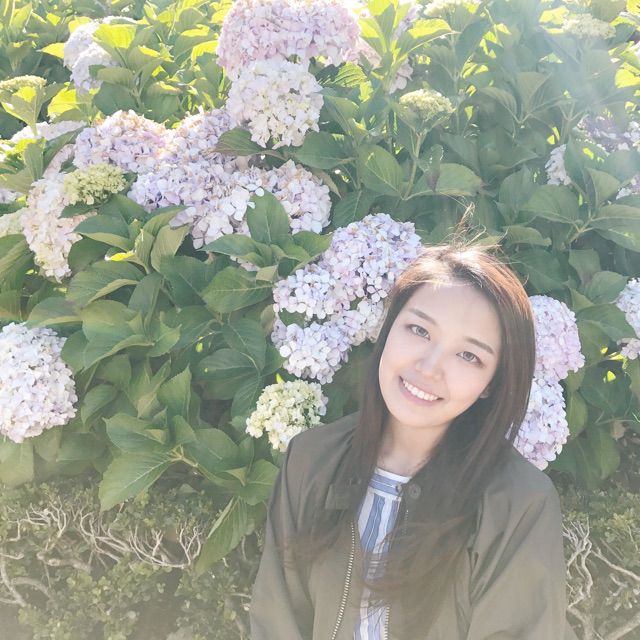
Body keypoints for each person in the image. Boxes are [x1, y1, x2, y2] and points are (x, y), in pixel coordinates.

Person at [250, 243, 576, 640]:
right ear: (389, 330)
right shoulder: (311, 460)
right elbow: (276, 622)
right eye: (419, 330)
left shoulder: (519, 503)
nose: (429, 367)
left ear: (491, 384)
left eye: (468, 356)